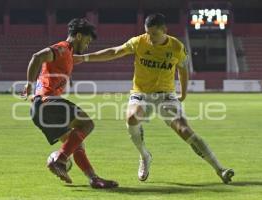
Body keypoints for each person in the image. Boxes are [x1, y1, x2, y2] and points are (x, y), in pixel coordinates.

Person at [74, 13, 234, 184]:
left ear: (164, 30)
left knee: (185, 131)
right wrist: (85, 57)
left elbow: (183, 70)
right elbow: (115, 51)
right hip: (140, 94)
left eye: (154, 34)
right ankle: (145, 156)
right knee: (131, 117)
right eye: (148, 33)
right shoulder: (139, 42)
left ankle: (220, 169)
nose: (150, 37)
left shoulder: (176, 47)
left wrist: (184, 93)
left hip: (166, 95)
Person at [22, 18, 118, 189]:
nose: (87, 45)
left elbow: (90, 57)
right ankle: (60, 160)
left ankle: (93, 178)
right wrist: (28, 85)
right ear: (79, 36)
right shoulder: (62, 49)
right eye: (87, 41)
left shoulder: (70, 55)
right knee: (87, 124)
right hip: (48, 103)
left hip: (38, 110)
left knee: (76, 143)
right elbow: (37, 57)